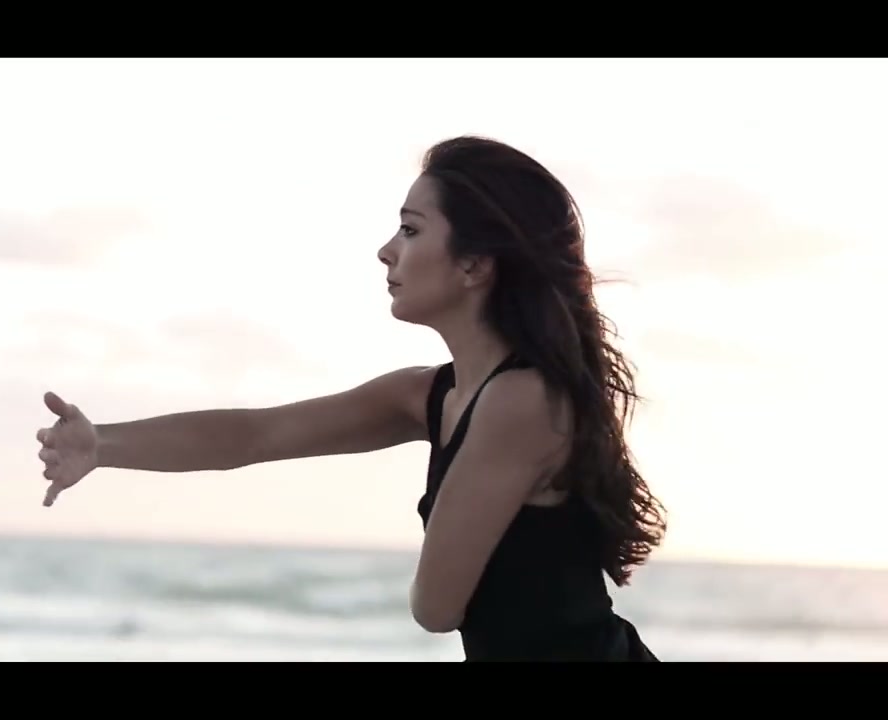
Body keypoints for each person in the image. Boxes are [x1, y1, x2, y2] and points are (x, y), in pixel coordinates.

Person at [35, 135, 667, 662]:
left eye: (411, 230)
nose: (386, 250)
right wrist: (102, 444)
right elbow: (255, 435)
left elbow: (435, 607)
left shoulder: (522, 402)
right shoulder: (429, 393)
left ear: (475, 264)